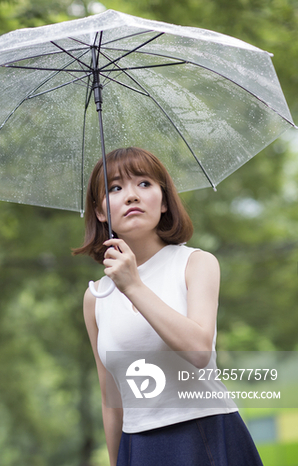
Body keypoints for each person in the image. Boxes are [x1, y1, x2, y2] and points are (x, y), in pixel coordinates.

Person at [73, 147, 262, 466]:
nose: (131, 195)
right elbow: (112, 398)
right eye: (115, 188)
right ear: (101, 211)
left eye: (144, 184)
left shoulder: (195, 263)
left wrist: (133, 285)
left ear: (163, 201)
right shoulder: (96, 297)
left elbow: (199, 352)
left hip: (202, 434)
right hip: (139, 447)